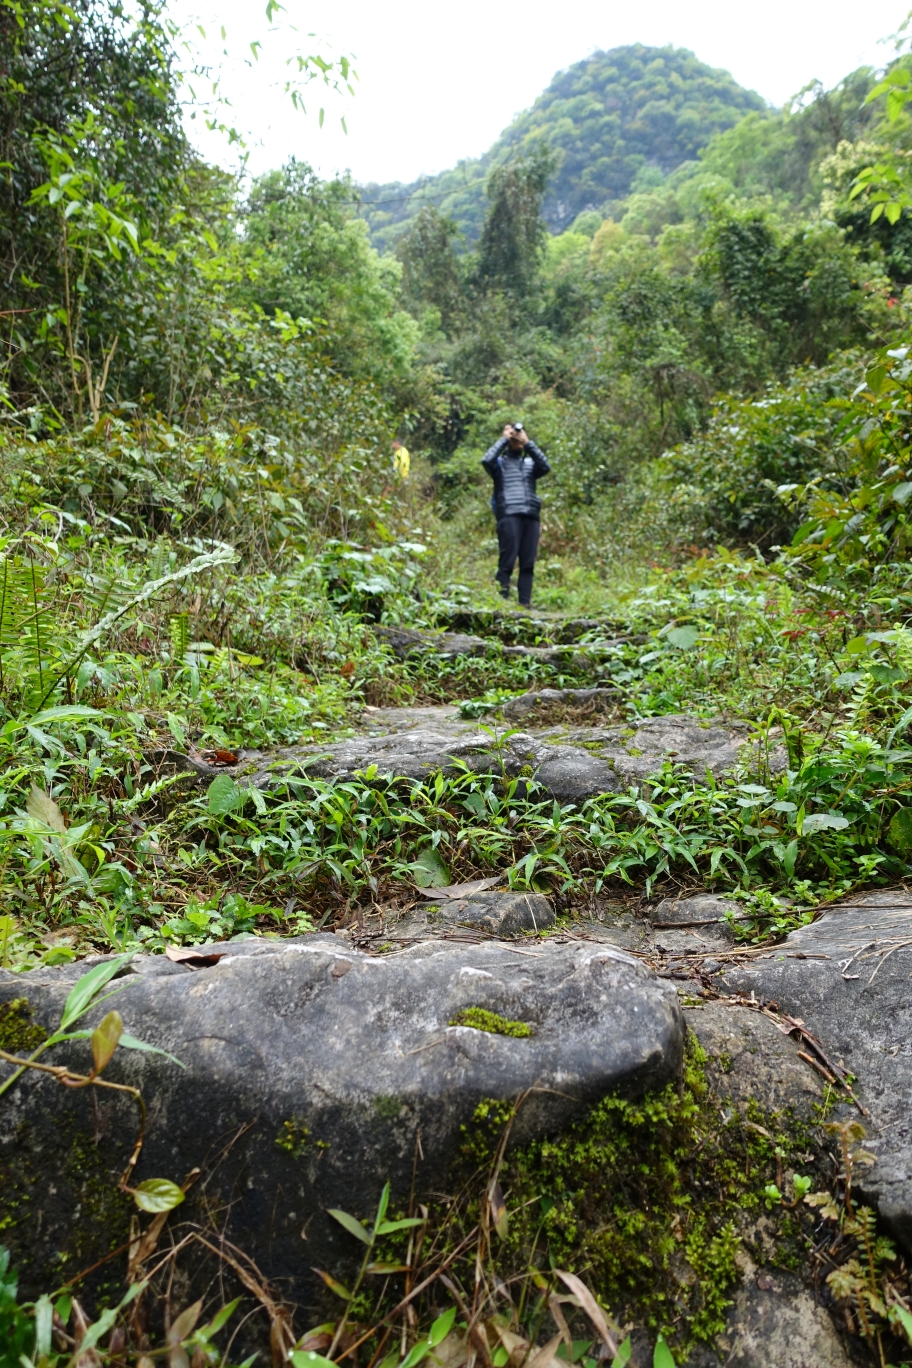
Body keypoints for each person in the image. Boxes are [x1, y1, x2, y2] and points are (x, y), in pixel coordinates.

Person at [481, 421, 550, 607]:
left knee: (528, 563)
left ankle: (525, 605)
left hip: (531, 515)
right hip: (509, 514)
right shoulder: (499, 463)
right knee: (507, 561)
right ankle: (502, 604)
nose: (516, 436)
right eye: (513, 433)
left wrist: (528, 443)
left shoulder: (529, 463)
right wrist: (503, 440)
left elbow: (545, 466)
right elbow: (486, 460)